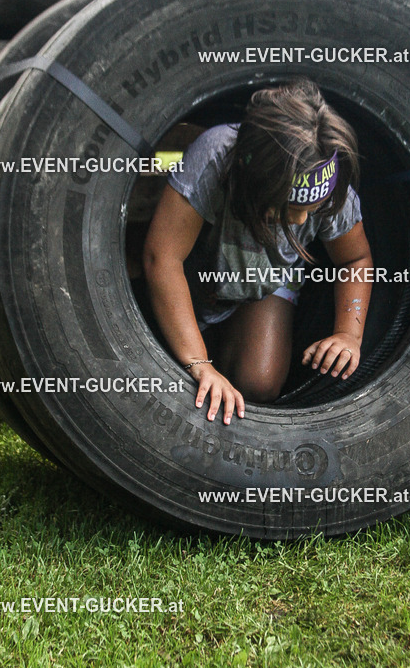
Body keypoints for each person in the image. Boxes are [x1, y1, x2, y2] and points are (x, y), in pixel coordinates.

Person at [143, 78, 374, 425]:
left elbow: (354, 259)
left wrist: (348, 334)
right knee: (165, 355)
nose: (298, 219)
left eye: (310, 209)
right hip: (196, 274)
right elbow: (161, 256)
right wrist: (199, 363)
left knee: (258, 382)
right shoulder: (216, 155)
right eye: (284, 208)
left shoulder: (329, 187)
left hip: (263, 283)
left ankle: (228, 344)